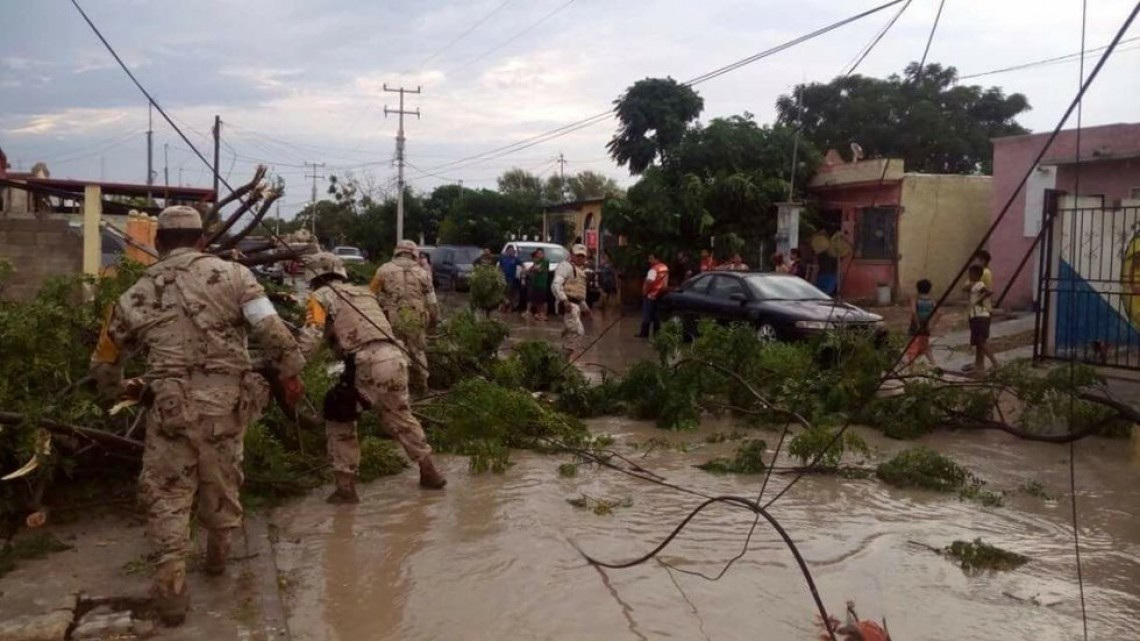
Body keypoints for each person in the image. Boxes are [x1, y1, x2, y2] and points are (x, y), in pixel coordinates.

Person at [89, 205, 306, 626]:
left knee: (168, 493)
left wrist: (123, 389)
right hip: (225, 405)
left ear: (157, 242)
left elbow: (104, 360)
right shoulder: (236, 277)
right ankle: (217, 559)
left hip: (170, 408)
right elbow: (273, 332)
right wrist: (292, 375)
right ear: (202, 240)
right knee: (223, 481)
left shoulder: (134, 293)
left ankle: (171, 587)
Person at [302, 252, 447, 504]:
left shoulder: (319, 297)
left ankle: (345, 488)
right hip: (395, 356)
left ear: (313, 277)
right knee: (400, 415)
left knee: (339, 415)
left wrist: (291, 365)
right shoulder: (363, 293)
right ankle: (429, 471)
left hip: (367, 361)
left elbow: (311, 337)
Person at [371, 240, 439, 394]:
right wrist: (434, 322)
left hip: (391, 319)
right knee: (418, 351)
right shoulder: (423, 273)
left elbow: (370, 295)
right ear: (414, 253)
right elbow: (432, 303)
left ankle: (397, 389)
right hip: (417, 319)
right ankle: (421, 387)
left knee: (394, 351)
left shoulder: (383, 270)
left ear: (397, 252)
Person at [552, 244, 591, 356]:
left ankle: (560, 359)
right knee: (577, 332)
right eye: (578, 255)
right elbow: (556, 285)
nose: (580, 258)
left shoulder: (580, 271)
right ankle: (564, 359)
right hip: (568, 306)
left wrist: (585, 308)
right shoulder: (566, 267)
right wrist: (564, 300)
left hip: (575, 306)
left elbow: (578, 294)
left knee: (568, 333)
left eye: (582, 256)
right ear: (572, 255)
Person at [967, 264, 999, 375]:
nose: (969, 275)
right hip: (977, 316)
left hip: (979, 316)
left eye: (970, 273)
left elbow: (988, 292)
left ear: (975, 274)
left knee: (981, 343)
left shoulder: (979, 284)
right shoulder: (974, 285)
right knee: (979, 343)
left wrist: (979, 300)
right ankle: (979, 367)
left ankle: (995, 364)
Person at [902, 279, 938, 370]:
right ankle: (934, 364)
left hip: (916, 325)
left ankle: (911, 368)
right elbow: (939, 313)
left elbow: (914, 312)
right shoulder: (931, 300)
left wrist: (917, 324)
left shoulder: (915, 299)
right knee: (925, 345)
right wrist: (932, 325)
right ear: (929, 289)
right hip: (926, 325)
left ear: (917, 289)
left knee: (912, 345)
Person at [637, 253, 670, 338]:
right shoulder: (665, 268)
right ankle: (657, 333)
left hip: (650, 295)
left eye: (651, 259)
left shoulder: (653, 270)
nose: (649, 261)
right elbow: (665, 282)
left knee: (647, 314)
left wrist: (644, 292)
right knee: (656, 315)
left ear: (657, 259)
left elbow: (649, 282)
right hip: (660, 294)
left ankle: (644, 333)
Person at [527, 248, 550, 321]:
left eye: (541, 253)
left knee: (542, 301)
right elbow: (530, 270)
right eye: (538, 254)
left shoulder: (545, 261)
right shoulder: (536, 262)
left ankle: (543, 314)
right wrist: (534, 266)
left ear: (543, 254)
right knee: (536, 300)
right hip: (535, 284)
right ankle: (539, 313)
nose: (539, 255)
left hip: (542, 284)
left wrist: (534, 267)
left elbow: (539, 270)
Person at [498, 245, 522, 313]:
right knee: (503, 293)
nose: (511, 252)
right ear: (507, 251)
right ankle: (504, 306)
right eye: (510, 250)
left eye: (512, 251)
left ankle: (510, 307)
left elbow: (522, 265)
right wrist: (499, 273)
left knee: (510, 293)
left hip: (511, 279)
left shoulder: (515, 259)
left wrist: (524, 270)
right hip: (503, 278)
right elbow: (499, 267)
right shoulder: (502, 258)